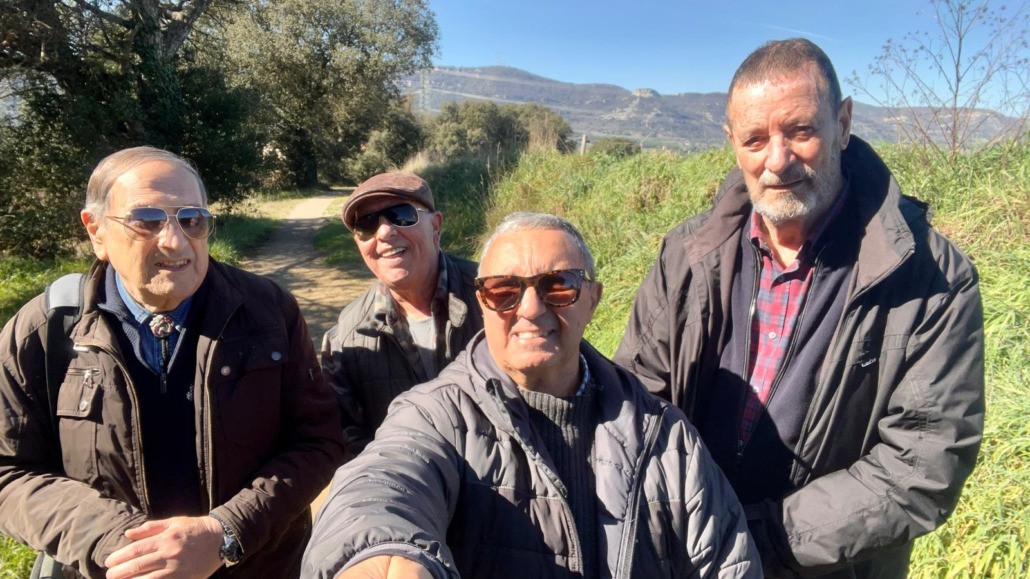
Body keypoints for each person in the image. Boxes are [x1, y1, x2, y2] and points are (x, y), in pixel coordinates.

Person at [615, 38, 985, 577]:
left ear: (843, 123)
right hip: (685, 555)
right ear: (732, 143)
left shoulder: (930, 277)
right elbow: (636, 396)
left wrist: (754, 538)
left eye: (801, 131)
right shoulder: (689, 253)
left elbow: (922, 464)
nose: (777, 159)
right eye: (755, 139)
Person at [302, 212, 759, 578]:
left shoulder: (665, 435)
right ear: (482, 302)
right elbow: (385, 478)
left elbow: (728, 561)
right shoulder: (433, 415)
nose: (530, 308)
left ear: (593, 297)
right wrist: (382, 550)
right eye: (504, 290)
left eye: (558, 286)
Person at [0, 147, 345, 578]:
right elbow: (9, 471)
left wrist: (226, 532)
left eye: (192, 219)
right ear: (96, 231)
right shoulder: (45, 329)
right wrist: (123, 544)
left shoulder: (269, 311)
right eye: (147, 220)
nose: (175, 241)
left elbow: (318, 441)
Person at [321, 172, 482, 461]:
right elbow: (352, 449)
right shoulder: (345, 340)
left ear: (435, 226)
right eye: (366, 224)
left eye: (401, 215)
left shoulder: (497, 297)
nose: (384, 233)